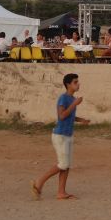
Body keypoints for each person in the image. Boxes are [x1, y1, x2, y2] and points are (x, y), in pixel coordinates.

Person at [31, 73, 89, 201]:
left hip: (67, 134)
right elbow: (61, 116)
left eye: (77, 82)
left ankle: (61, 192)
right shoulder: (63, 98)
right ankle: (39, 182)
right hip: (60, 135)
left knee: (66, 165)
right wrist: (75, 104)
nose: (78, 84)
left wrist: (81, 120)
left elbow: (70, 116)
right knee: (63, 164)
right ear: (68, 84)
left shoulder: (71, 99)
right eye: (75, 82)